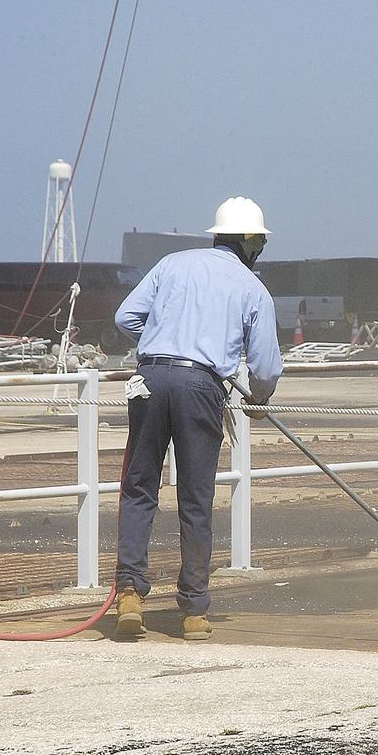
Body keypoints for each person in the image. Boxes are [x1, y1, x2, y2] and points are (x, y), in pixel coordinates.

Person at [112, 196, 283, 641]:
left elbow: (125, 316)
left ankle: (129, 592)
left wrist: (158, 337)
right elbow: (265, 368)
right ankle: (193, 611)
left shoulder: (172, 263)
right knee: (195, 497)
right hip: (202, 387)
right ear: (252, 242)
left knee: (139, 488)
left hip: (149, 379)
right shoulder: (252, 288)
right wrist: (258, 399)